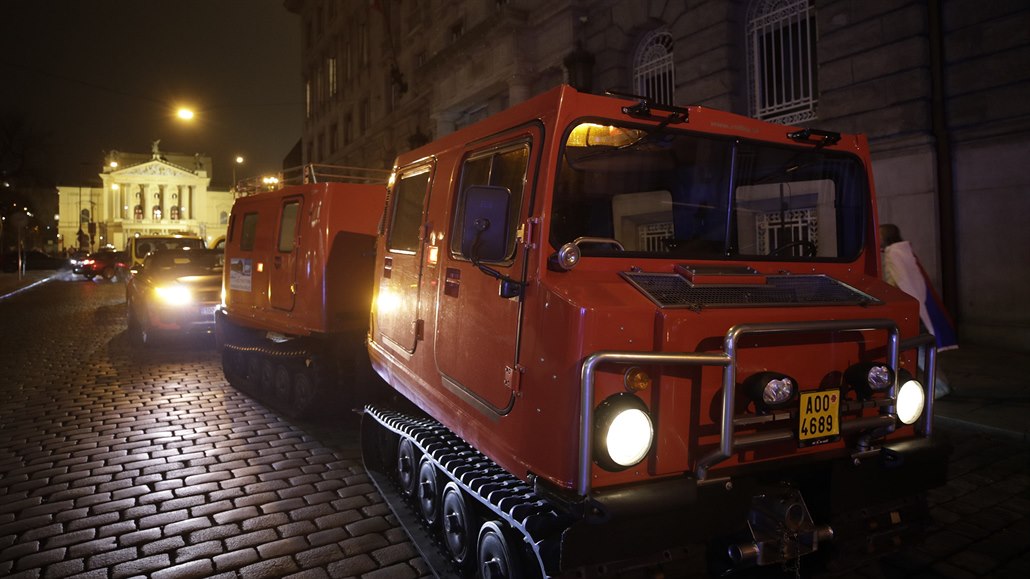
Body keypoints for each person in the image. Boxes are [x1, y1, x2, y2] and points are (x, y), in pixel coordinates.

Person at [880, 224, 957, 398]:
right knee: (919, 351)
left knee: (916, 352)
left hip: (908, 312)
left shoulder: (893, 253)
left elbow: (897, 282)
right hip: (918, 310)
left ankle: (939, 386)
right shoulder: (903, 251)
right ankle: (940, 384)